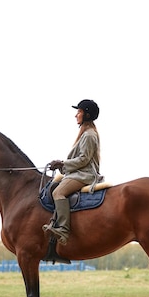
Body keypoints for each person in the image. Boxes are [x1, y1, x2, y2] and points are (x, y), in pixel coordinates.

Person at [43, 99, 102, 245]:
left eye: (79, 112)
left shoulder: (88, 135)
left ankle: (63, 229)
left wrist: (63, 164)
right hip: (78, 173)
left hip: (85, 175)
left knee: (58, 193)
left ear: (86, 115)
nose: (76, 115)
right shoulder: (85, 133)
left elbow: (84, 159)